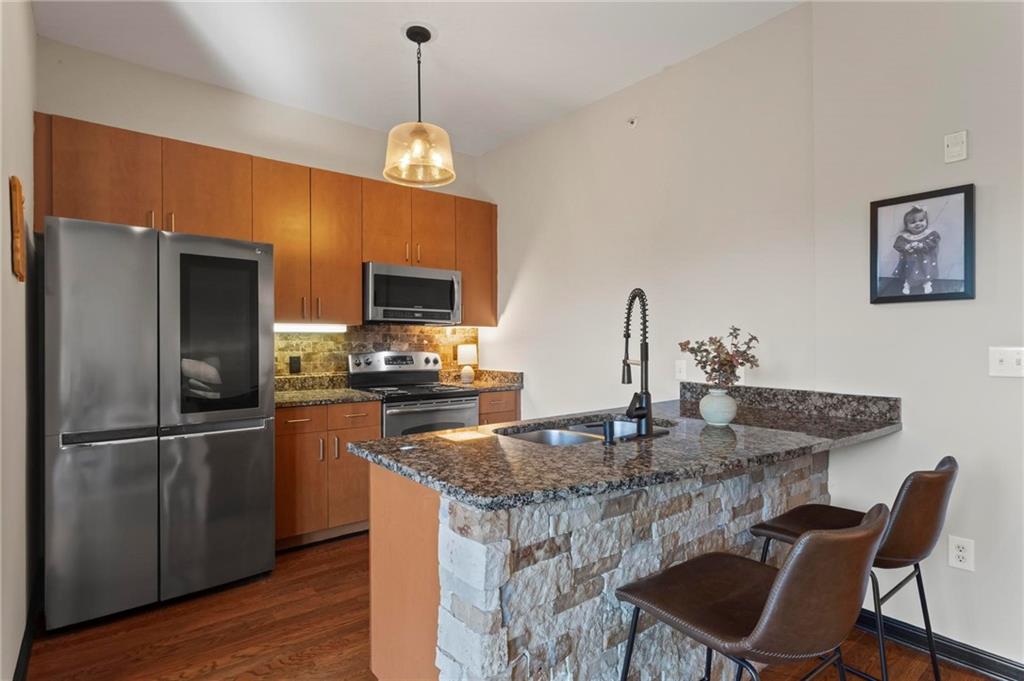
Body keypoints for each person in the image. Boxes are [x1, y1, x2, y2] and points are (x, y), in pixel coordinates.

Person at [892, 204, 940, 294]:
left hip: (925, 260)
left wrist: (922, 245)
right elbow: (897, 244)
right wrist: (906, 247)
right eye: (913, 222)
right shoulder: (904, 236)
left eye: (921, 220)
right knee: (909, 271)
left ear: (926, 221)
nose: (917, 223)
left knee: (925, 270)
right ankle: (907, 283)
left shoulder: (930, 234)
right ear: (907, 226)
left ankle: (926, 282)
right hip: (909, 260)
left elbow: (934, 242)